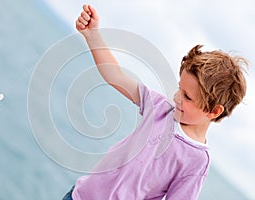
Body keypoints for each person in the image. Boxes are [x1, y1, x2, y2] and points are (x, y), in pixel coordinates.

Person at [63, 4, 248, 200]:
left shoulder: (197, 161)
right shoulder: (160, 108)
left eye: (187, 97)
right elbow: (115, 75)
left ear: (213, 111)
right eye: (180, 88)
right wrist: (92, 35)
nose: (177, 97)